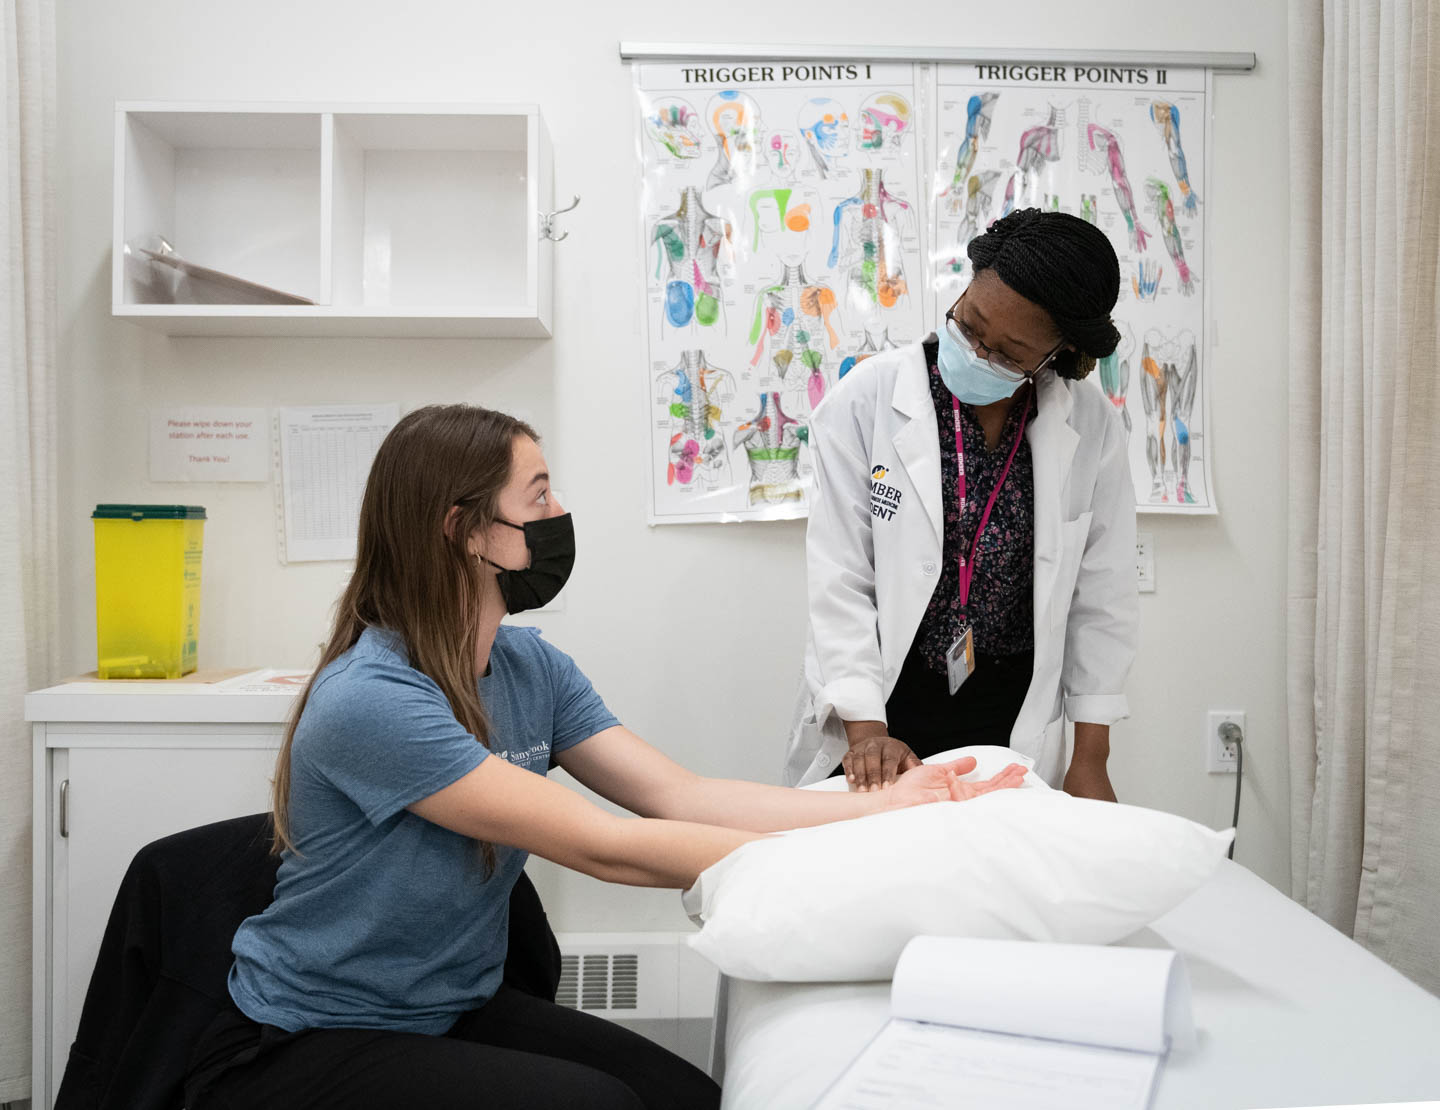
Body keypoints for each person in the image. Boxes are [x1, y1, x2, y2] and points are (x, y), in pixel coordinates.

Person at [183, 404, 1026, 1110]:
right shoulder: (373, 697)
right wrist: (867, 849)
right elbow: (605, 847)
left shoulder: (529, 668)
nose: (558, 517)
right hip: (314, 1033)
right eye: (538, 495)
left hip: (448, 1004)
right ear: (465, 531)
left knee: (687, 1101)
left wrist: (882, 804)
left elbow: (680, 796)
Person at [787, 208, 1139, 797]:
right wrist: (868, 735)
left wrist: (1091, 757)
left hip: (1011, 707)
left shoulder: (1091, 427)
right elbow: (840, 578)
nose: (976, 353)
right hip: (882, 700)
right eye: (968, 324)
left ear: (1057, 355)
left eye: (1009, 353)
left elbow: (1103, 596)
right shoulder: (866, 401)